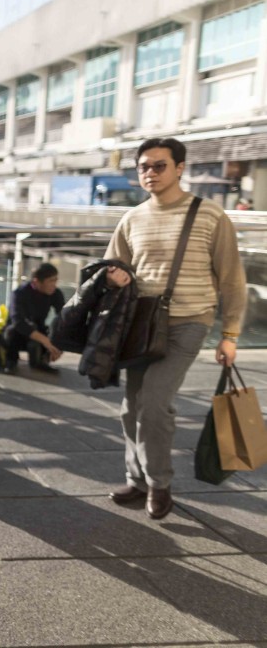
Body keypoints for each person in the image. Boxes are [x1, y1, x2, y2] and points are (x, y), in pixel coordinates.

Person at [104, 137, 246, 520]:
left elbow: (232, 279)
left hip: (190, 321)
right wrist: (114, 278)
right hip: (140, 324)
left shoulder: (210, 215)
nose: (150, 172)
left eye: (159, 165)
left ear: (179, 168)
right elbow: (111, 267)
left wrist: (230, 334)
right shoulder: (131, 218)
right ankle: (135, 478)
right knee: (131, 406)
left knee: (153, 403)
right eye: (144, 167)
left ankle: (159, 484)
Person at [2, 262, 66, 374]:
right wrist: (45, 340)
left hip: (38, 327)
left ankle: (42, 360)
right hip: (18, 332)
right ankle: (11, 360)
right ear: (36, 281)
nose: (54, 284)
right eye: (51, 281)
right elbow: (18, 321)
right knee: (12, 331)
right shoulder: (19, 293)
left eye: (55, 280)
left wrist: (59, 345)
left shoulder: (56, 293)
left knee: (56, 330)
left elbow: (63, 318)